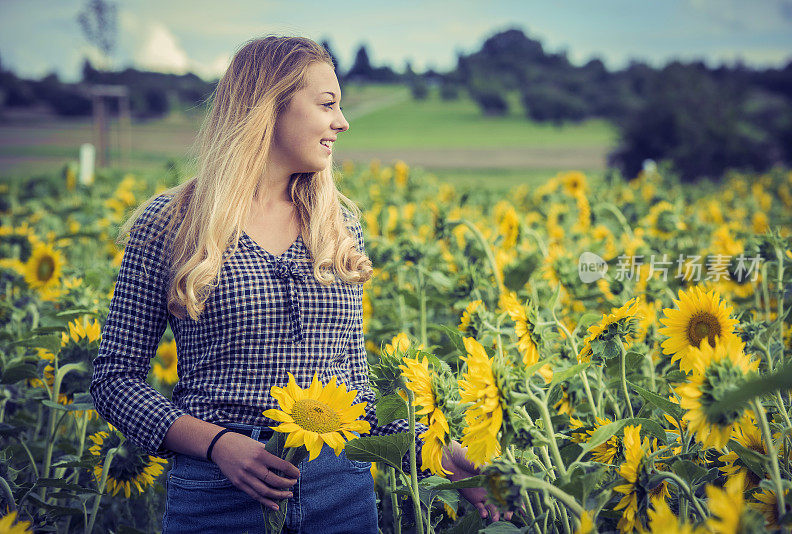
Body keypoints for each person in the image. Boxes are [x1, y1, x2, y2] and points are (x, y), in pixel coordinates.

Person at [90, 35, 510, 533]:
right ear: (270, 106)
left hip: (340, 489)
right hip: (216, 496)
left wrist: (443, 457)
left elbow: (356, 390)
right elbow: (115, 379)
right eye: (328, 104)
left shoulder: (336, 225)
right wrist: (218, 444)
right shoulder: (173, 222)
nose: (342, 122)